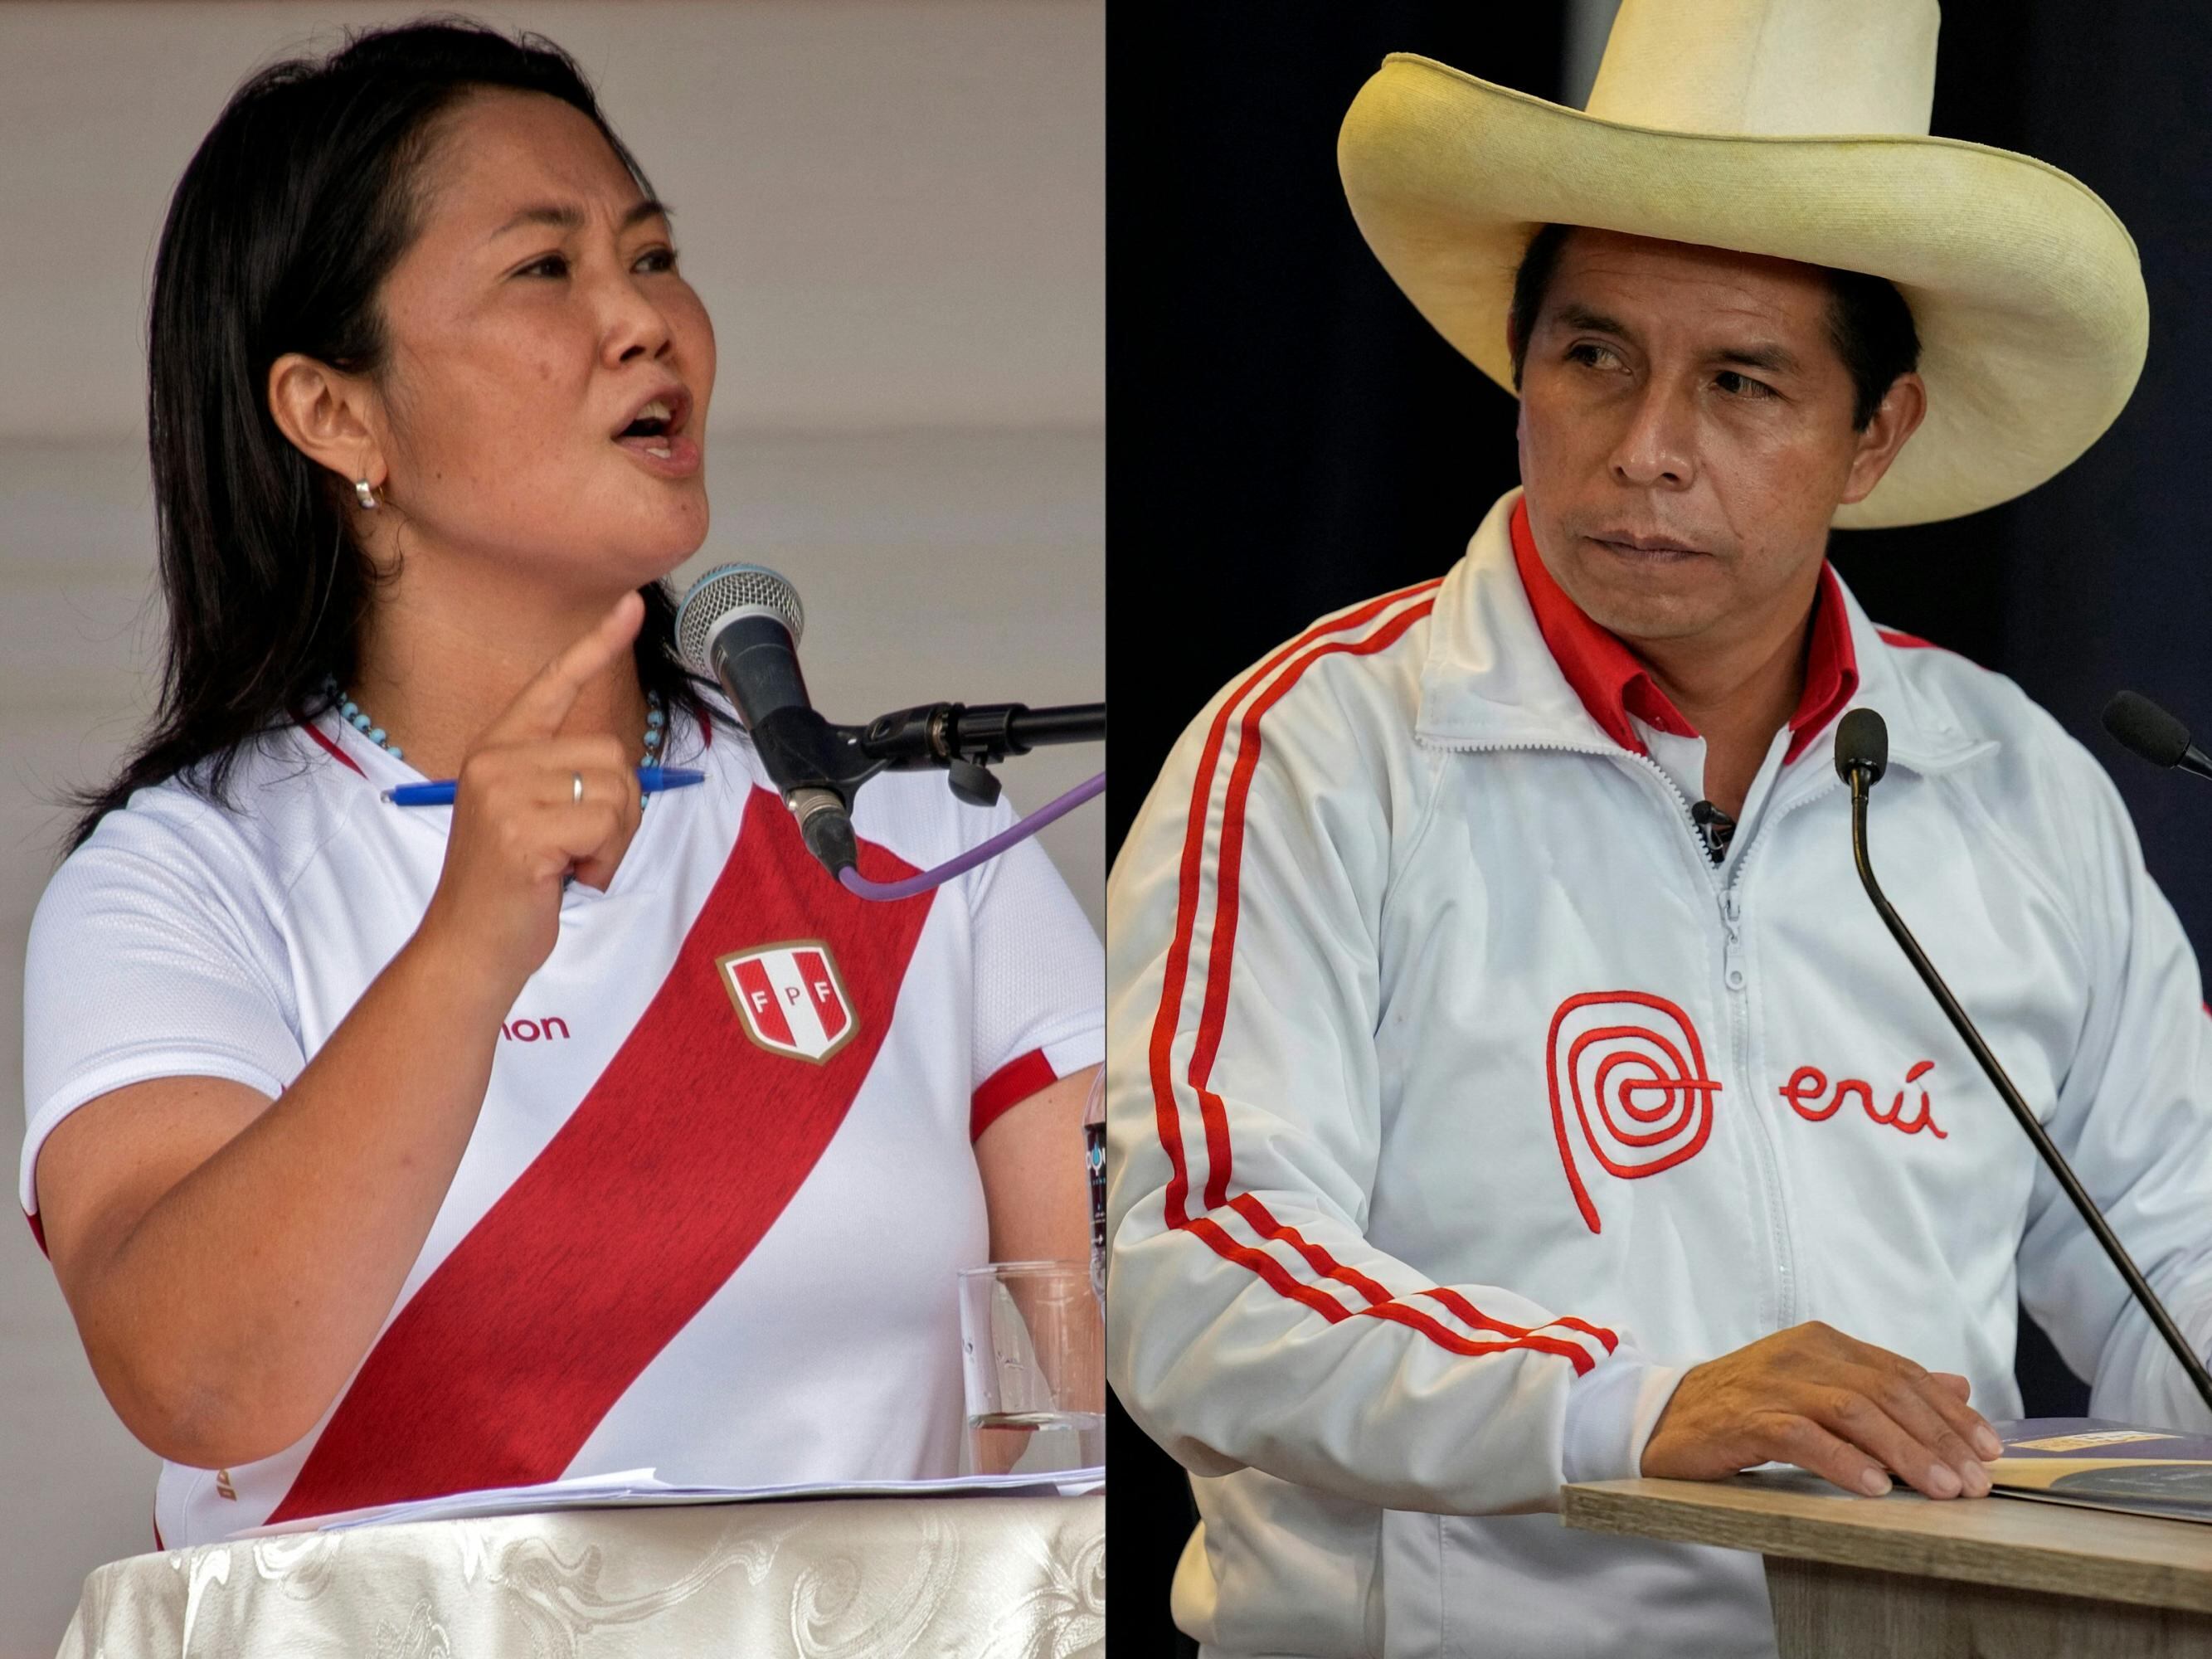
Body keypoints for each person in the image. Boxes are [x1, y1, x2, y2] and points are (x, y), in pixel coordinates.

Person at [1106, 1, 2200, 1654]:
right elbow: (1194, 1270)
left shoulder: (2010, 781)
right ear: (1518, 369)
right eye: (1591, 355)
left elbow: (2170, 1239)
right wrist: (1628, 1407)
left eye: (1741, 382)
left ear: (1873, 434)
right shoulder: (1317, 750)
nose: (1644, 451)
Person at [20, 19, 1101, 1549]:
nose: (644, 320)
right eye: (548, 270)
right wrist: (468, 943)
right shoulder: (185, 876)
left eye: (652, 255)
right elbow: (196, 1383)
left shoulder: (918, 829)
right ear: (336, 412)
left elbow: (1088, 1389)